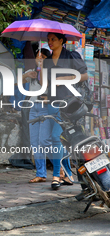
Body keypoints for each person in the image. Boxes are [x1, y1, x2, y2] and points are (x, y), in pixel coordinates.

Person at [43, 32, 88, 190]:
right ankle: (68, 175)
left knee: (57, 138)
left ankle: (56, 175)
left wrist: (63, 79)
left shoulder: (71, 56)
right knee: (52, 140)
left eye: (53, 39)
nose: (50, 42)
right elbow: (46, 83)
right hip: (52, 102)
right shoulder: (47, 61)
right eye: (48, 40)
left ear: (61, 41)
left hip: (69, 104)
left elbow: (84, 76)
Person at [23, 48, 52, 183]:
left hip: (45, 108)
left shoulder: (50, 72)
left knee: (44, 141)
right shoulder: (32, 72)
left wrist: (42, 70)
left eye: (44, 57)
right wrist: (26, 76)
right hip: (32, 108)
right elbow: (17, 82)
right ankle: (41, 173)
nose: (40, 59)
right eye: (38, 56)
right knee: (35, 142)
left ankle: (62, 169)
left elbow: (45, 86)